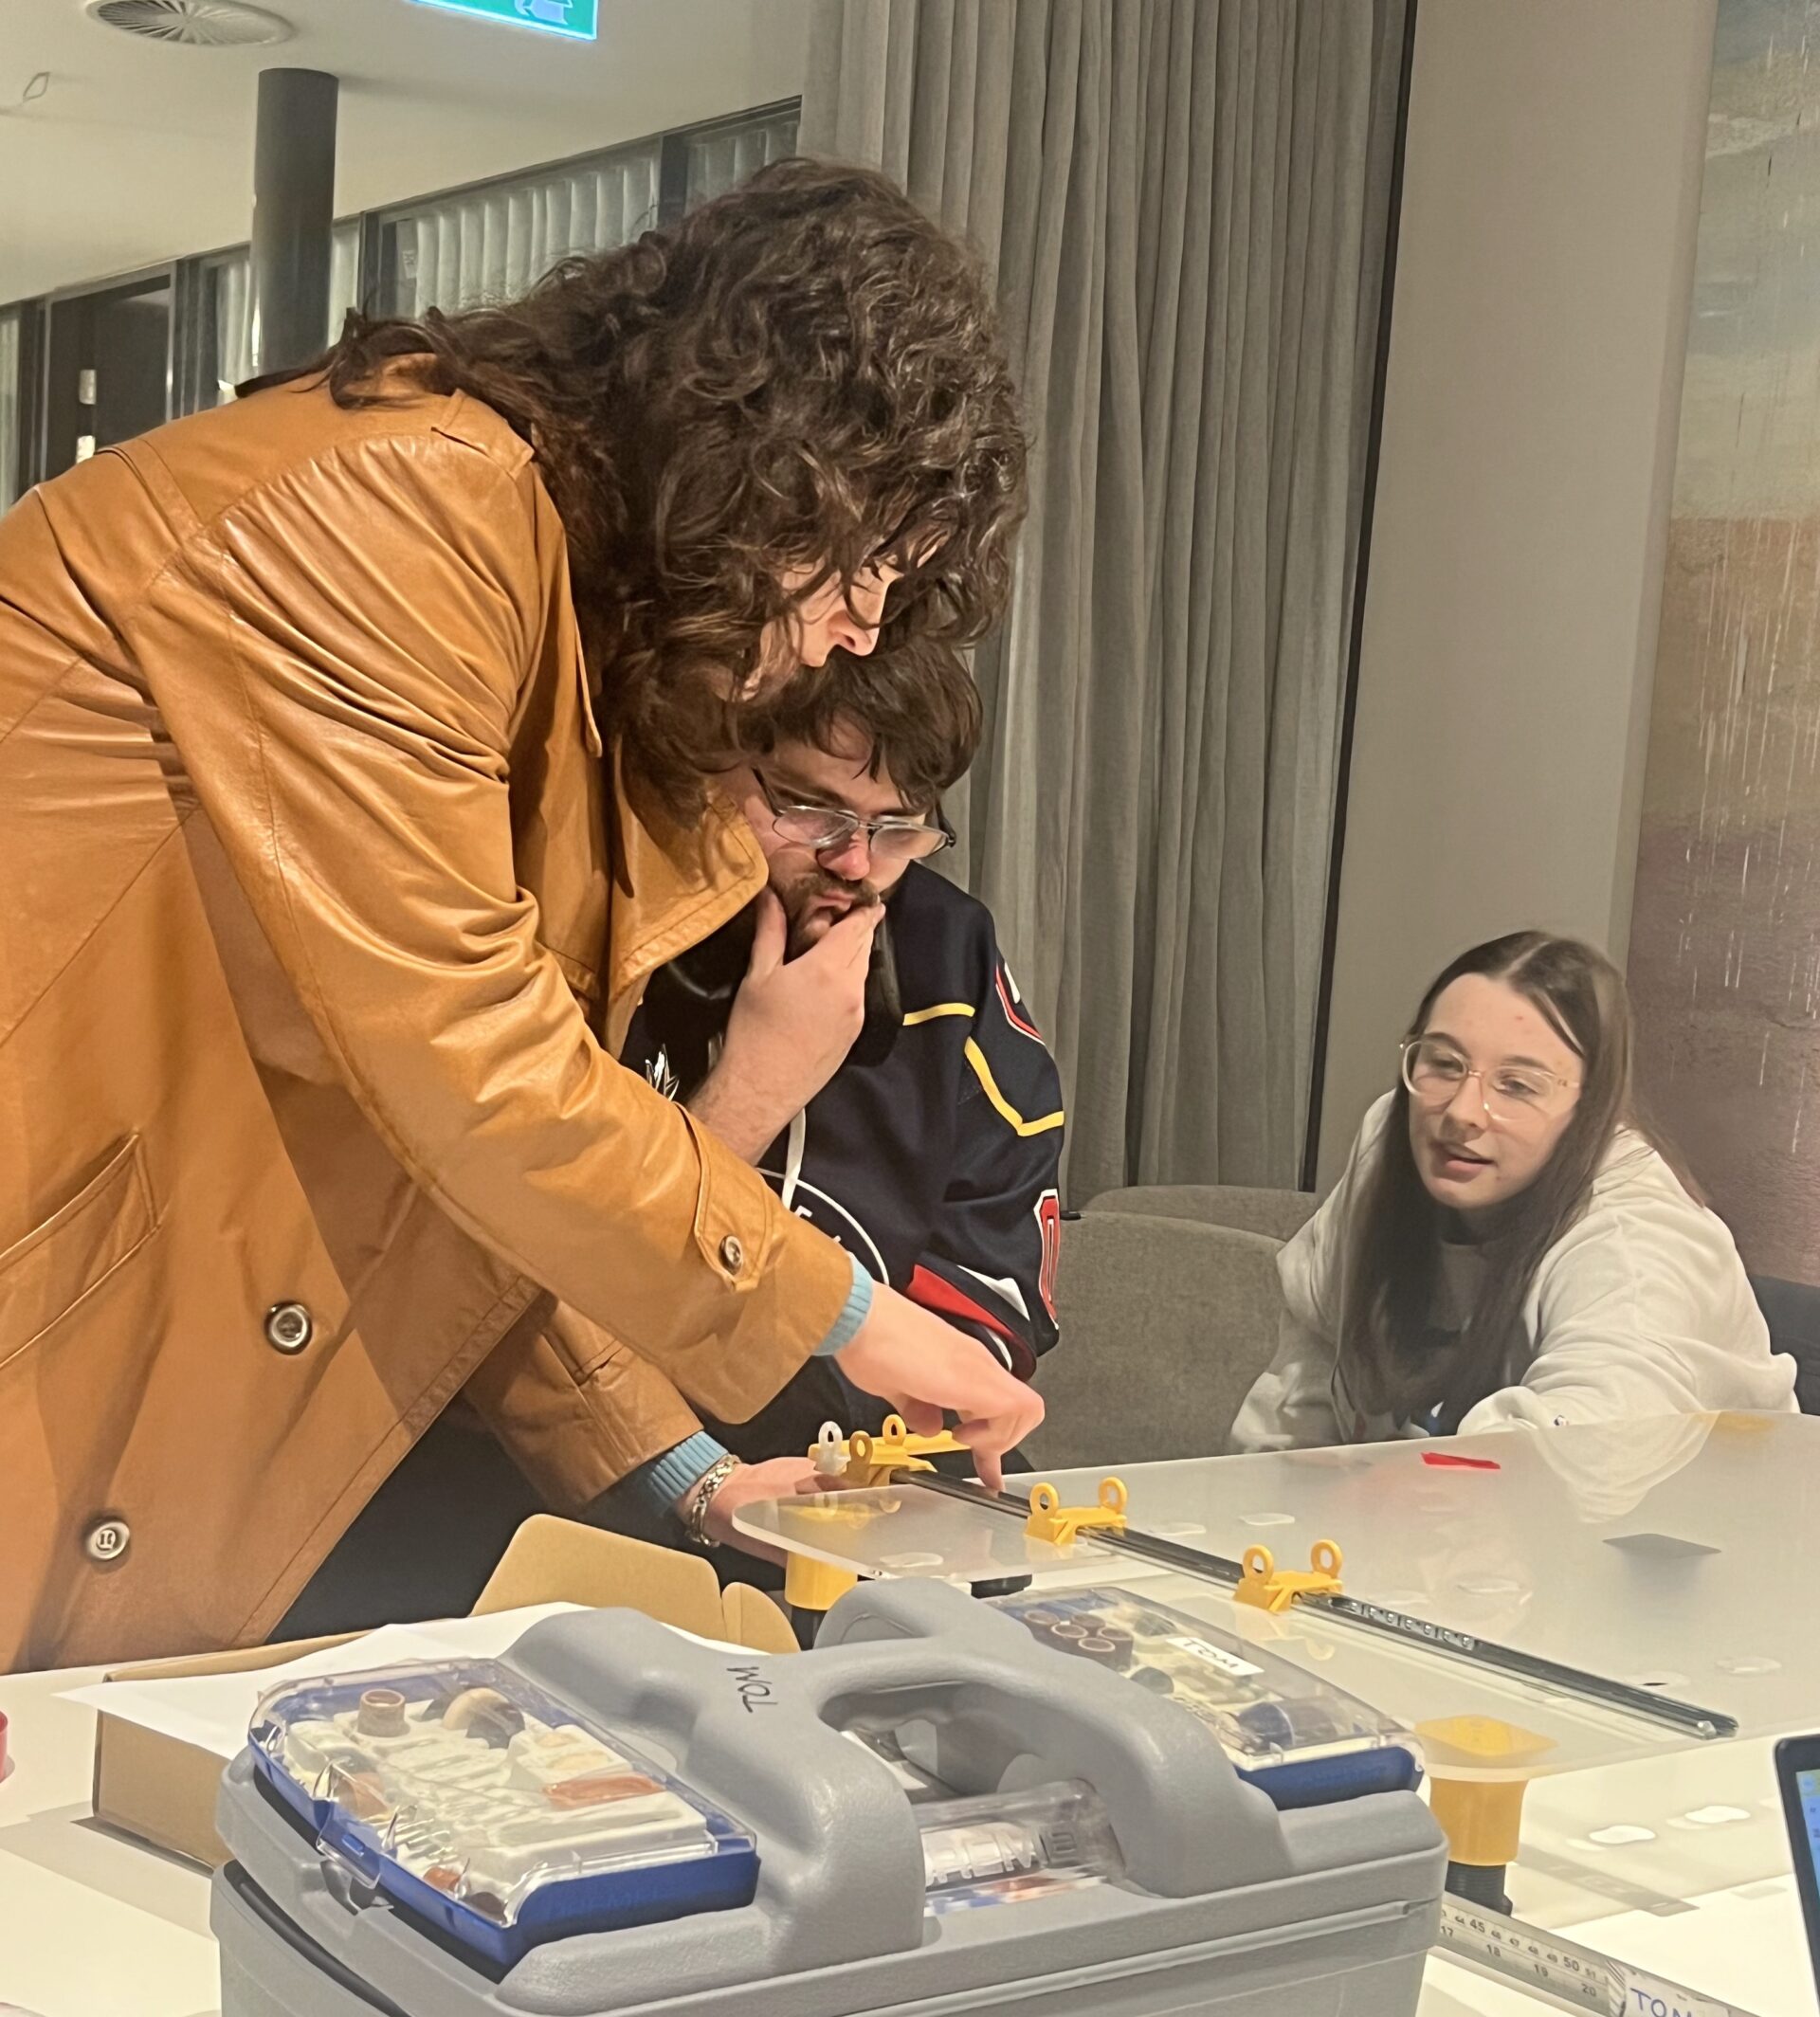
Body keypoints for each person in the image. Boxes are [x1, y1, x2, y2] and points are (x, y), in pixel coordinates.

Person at [0, 161, 1041, 1673]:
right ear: (770, 459)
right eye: (866, 555)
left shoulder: (549, 612)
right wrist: (846, 1313)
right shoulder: (411, 501)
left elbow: (458, 1177)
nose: (863, 624)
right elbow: (472, 1067)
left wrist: (692, 1479)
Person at [617, 638, 1065, 1527]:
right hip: (615, 1476)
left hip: (863, 1482)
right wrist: (753, 1088)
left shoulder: (949, 952)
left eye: (895, 826)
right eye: (812, 810)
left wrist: (879, 1456)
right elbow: (546, 1275)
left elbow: (997, 1253)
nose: (856, 863)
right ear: (716, 764)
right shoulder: (621, 921)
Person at [1233, 931, 1796, 1450]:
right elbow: (1311, 1359)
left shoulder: (1635, 1238)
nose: (1460, 1114)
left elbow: (1590, 1446)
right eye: (1444, 1063)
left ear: (1590, 1109)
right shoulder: (1392, 1135)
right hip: (1430, 1538)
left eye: (1517, 1085)